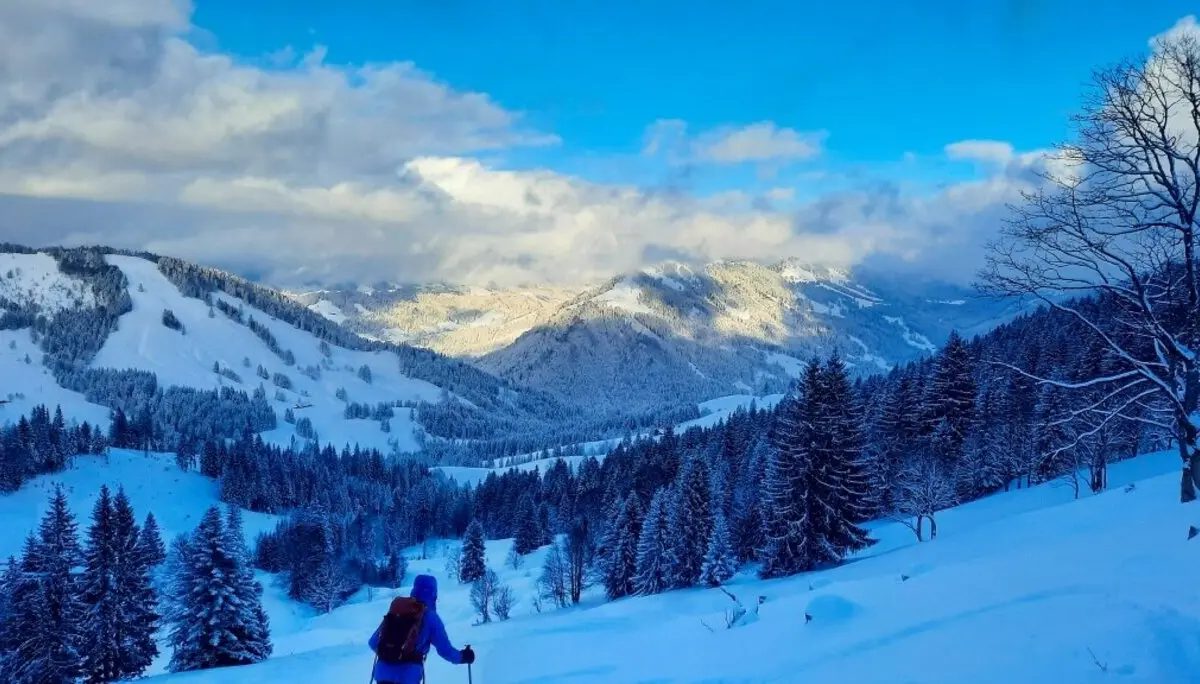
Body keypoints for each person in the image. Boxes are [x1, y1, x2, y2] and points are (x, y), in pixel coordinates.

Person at [369, 574, 475, 684]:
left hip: (382, 676)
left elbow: (373, 642)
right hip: (408, 677)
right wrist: (463, 657)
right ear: (434, 595)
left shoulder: (397, 611)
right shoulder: (430, 617)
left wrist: (391, 652)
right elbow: (445, 650)